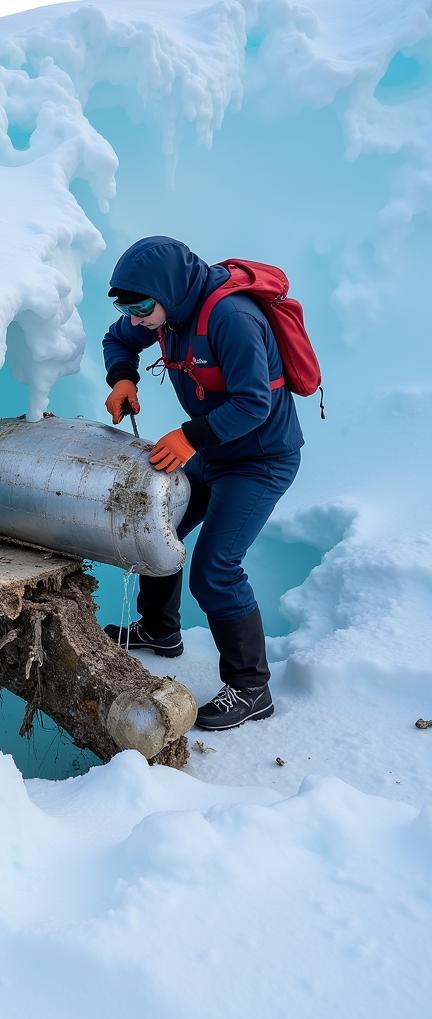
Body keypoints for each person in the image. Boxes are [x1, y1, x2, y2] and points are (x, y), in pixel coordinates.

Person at [100, 236, 303, 731]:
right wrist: (122, 376)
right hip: (214, 450)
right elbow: (120, 339)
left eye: (143, 306)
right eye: (129, 305)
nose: (137, 316)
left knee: (215, 570)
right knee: (155, 523)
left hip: (260, 460)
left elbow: (255, 403)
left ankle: (252, 688)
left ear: (168, 290)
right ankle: (160, 630)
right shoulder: (164, 311)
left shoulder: (231, 318)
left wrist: (190, 437)